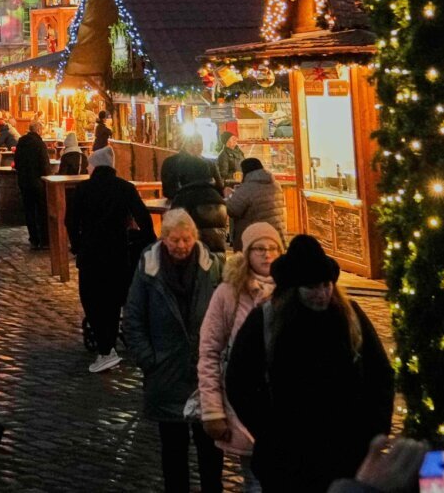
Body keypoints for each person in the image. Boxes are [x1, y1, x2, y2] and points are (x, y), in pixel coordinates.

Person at [226, 234, 393, 493]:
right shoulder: (266, 321)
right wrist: (269, 432)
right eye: (312, 287)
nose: (322, 294)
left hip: (347, 455)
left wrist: (373, 431)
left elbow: (380, 375)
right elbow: (240, 381)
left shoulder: (350, 316)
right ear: (294, 290)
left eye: (326, 285)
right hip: (288, 460)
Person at [124, 208, 225, 493]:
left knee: (210, 450)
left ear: (195, 237)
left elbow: (224, 314)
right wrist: (149, 360)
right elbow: (133, 318)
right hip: (165, 371)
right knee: (173, 451)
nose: (181, 245)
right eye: (174, 239)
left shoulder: (211, 267)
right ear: (164, 239)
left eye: (186, 239)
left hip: (204, 372)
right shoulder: (149, 268)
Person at [198, 223, 284, 492]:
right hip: (245, 405)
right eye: (259, 248)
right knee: (256, 481)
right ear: (246, 253)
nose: (267, 254)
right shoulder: (229, 293)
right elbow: (210, 351)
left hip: (285, 408)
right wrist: (213, 409)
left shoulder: (290, 292)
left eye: (273, 248)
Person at [67, 146, 156, 369]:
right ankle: (109, 346)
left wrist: (77, 245)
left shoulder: (83, 189)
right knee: (114, 299)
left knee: (92, 299)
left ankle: (105, 348)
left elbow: (71, 221)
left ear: (95, 166)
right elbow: (143, 217)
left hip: (91, 253)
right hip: (118, 252)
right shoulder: (125, 188)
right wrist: (147, 241)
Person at [13, 120, 50, 250]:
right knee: (41, 210)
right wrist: (47, 177)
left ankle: (33, 237)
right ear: (39, 130)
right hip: (37, 181)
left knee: (28, 210)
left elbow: (16, 161)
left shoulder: (21, 142)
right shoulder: (40, 144)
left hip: (24, 181)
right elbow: (44, 164)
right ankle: (44, 239)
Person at [160, 131, 219, 202]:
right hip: (189, 203)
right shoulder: (172, 162)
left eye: (200, 145)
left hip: (177, 202)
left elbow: (168, 191)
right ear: (187, 145)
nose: (200, 148)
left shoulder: (209, 163)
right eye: (197, 145)